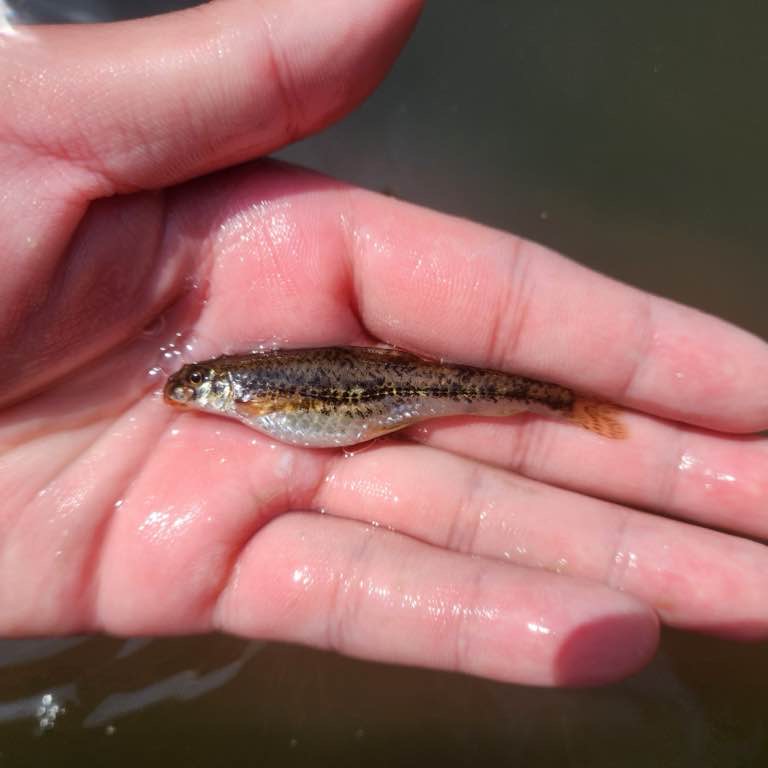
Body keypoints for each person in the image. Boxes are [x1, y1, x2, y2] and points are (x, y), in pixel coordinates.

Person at [1, 0, 766, 688]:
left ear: (228, 387)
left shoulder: (250, 392)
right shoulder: (245, 391)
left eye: (198, 385)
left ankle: (564, 403)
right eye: (196, 386)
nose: (190, 392)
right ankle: (563, 404)